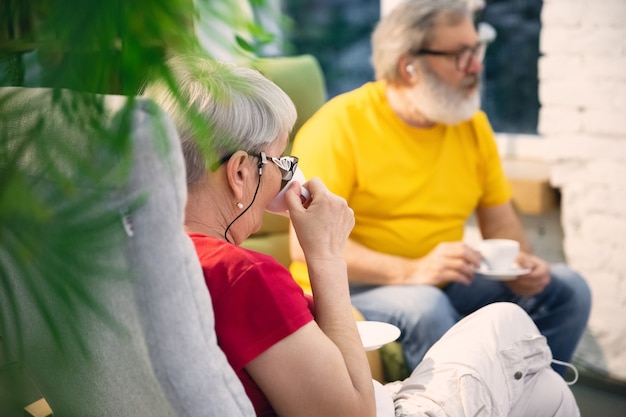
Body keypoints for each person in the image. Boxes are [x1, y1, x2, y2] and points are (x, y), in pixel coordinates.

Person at [143, 54, 580, 417]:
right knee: (506, 325)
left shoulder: (137, 250)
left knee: (543, 391)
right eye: (280, 162)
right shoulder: (243, 274)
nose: (285, 180)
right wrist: (327, 254)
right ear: (241, 172)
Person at [288, 0, 591, 376]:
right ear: (409, 66)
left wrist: (522, 266)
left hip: (442, 279)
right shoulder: (338, 127)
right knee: (426, 305)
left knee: (567, 287)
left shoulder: (472, 126)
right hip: (355, 287)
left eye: (477, 48)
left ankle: (528, 401)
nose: (477, 66)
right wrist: (412, 270)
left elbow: (501, 223)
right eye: (460, 55)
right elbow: (304, 247)